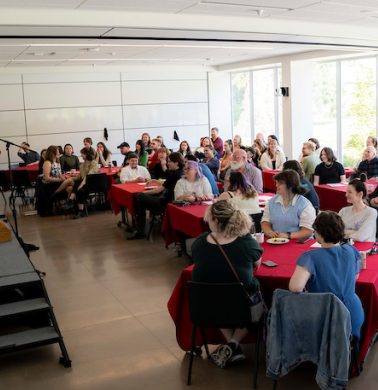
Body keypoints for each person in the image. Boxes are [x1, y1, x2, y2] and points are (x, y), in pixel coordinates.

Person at [190, 200, 263, 368]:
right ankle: (233, 344)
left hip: (206, 309)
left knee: (218, 295)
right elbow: (257, 264)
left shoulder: (200, 243)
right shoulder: (246, 243)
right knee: (256, 299)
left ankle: (231, 346)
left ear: (214, 220)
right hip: (243, 310)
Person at [289, 211, 364, 341]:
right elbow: (355, 276)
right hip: (353, 314)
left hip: (325, 317)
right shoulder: (351, 250)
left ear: (318, 233)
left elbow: (295, 288)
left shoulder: (310, 257)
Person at [129, 152, 183, 239]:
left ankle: (139, 229)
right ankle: (140, 229)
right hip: (172, 201)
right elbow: (165, 184)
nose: (167, 163)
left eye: (169, 162)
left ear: (176, 163)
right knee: (141, 201)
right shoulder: (180, 172)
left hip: (166, 204)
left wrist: (143, 193)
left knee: (139, 197)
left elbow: (158, 190)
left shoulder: (174, 175)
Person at [261, 170, 314, 241]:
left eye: (280, 183)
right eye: (276, 183)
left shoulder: (304, 205)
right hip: (275, 241)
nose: (276, 185)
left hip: (296, 242)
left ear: (290, 186)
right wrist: (270, 232)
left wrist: (288, 235)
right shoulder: (272, 202)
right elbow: (265, 222)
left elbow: (308, 231)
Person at [66, 147, 100, 218]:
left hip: (92, 184)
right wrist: (70, 178)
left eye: (82, 154)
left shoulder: (94, 163)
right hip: (83, 184)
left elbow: (88, 177)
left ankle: (71, 200)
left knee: (79, 186)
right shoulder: (82, 165)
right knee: (79, 188)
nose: (81, 156)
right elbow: (79, 177)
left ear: (87, 154)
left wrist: (81, 185)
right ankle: (80, 211)